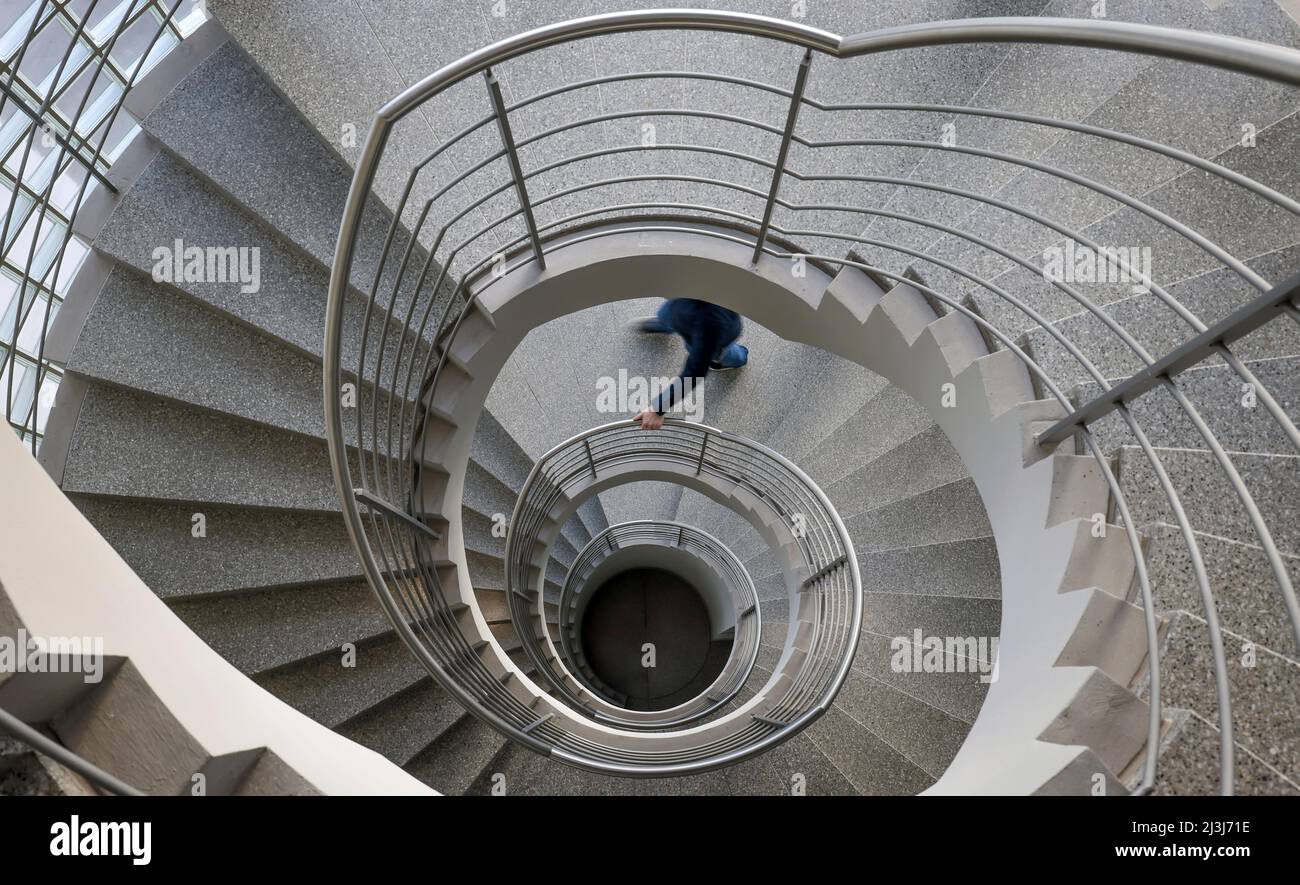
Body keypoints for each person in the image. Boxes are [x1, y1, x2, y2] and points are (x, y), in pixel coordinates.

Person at [632, 298, 749, 430]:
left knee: (718, 353)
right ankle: (665, 323)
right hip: (679, 311)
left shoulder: (711, 321)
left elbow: (695, 371)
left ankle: (738, 358)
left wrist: (658, 408)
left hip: (702, 328)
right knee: (669, 314)